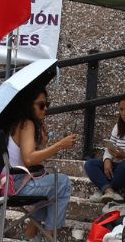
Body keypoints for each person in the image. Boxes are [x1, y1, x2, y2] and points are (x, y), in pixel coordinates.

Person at [5, 87, 76, 239]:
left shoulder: (17, 123)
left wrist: (42, 144)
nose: (46, 109)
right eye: (41, 105)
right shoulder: (27, 123)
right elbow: (29, 159)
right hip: (17, 184)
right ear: (29, 105)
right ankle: (49, 236)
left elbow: (30, 161)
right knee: (63, 183)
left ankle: (30, 236)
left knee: (52, 190)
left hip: (9, 182)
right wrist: (60, 145)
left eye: (47, 104)